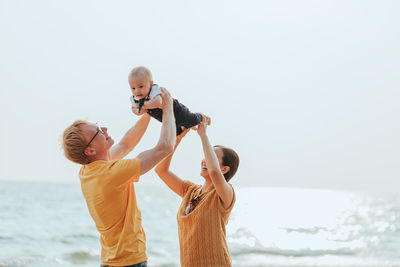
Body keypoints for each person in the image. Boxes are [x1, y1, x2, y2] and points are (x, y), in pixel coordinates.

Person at [62, 88, 176, 267]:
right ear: (90, 150)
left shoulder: (88, 170)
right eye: (98, 131)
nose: (104, 129)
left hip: (111, 261)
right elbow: (165, 147)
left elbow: (126, 144)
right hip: (129, 261)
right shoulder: (111, 174)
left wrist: (149, 113)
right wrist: (168, 107)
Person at [155, 116, 240, 267]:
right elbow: (161, 170)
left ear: (224, 169)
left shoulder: (226, 195)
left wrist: (203, 135)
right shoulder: (190, 190)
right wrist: (177, 140)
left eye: (211, 157)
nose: (204, 160)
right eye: (206, 156)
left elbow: (214, 173)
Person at [128, 66, 209, 135]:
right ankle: (185, 127)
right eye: (133, 88)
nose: (137, 91)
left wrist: (143, 105)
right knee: (176, 132)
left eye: (141, 86)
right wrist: (138, 110)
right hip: (167, 119)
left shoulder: (154, 90)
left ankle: (200, 116)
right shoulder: (135, 98)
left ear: (151, 84)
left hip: (177, 111)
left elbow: (157, 102)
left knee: (192, 119)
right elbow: (135, 110)